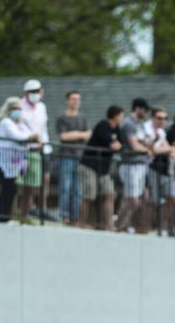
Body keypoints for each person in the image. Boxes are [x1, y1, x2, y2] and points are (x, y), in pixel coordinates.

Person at [0, 97, 39, 224]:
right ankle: (2, 217)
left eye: (19, 109)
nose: (17, 111)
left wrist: (35, 140)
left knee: (12, 189)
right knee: (7, 188)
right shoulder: (5, 122)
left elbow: (29, 137)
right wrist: (33, 137)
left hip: (14, 164)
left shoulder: (21, 125)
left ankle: (6, 216)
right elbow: (19, 137)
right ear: (8, 109)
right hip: (3, 162)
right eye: (14, 109)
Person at [80, 106, 123, 231]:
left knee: (109, 194)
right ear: (115, 116)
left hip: (103, 169)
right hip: (89, 166)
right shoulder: (102, 126)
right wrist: (116, 145)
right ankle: (81, 222)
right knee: (89, 195)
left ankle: (108, 225)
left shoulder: (117, 129)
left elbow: (120, 145)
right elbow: (111, 144)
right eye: (121, 116)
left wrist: (117, 145)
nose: (122, 118)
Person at [116, 97, 153, 232]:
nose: (145, 113)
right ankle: (119, 225)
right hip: (130, 164)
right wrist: (146, 149)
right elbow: (134, 145)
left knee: (140, 197)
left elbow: (147, 140)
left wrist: (144, 144)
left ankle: (127, 224)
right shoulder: (128, 124)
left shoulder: (141, 124)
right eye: (144, 110)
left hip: (141, 165)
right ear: (137, 108)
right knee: (132, 199)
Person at [56, 91, 90, 225]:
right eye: (73, 99)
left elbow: (88, 135)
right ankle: (64, 215)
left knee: (78, 189)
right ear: (67, 101)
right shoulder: (61, 118)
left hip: (80, 157)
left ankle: (75, 216)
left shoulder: (83, 118)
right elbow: (64, 137)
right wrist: (81, 135)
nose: (76, 102)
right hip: (66, 156)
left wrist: (76, 134)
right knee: (65, 187)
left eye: (78, 99)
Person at [18, 80, 49, 223]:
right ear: (26, 93)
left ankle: (31, 213)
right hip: (23, 150)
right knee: (19, 184)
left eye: (37, 91)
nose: (35, 94)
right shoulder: (19, 105)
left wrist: (45, 145)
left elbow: (43, 128)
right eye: (32, 92)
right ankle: (15, 214)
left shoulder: (42, 107)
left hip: (39, 150)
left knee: (34, 184)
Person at [145, 107, 175, 233]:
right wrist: (169, 150)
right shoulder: (146, 129)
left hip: (165, 170)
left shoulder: (162, 132)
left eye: (165, 118)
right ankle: (149, 226)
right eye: (159, 118)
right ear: (153, 118)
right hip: (151, 168)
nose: (162, 121)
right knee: (153, 200)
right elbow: (153, 150)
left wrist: (172, 151)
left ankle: (163, 226)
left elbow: (166, 147)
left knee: (173, 198)